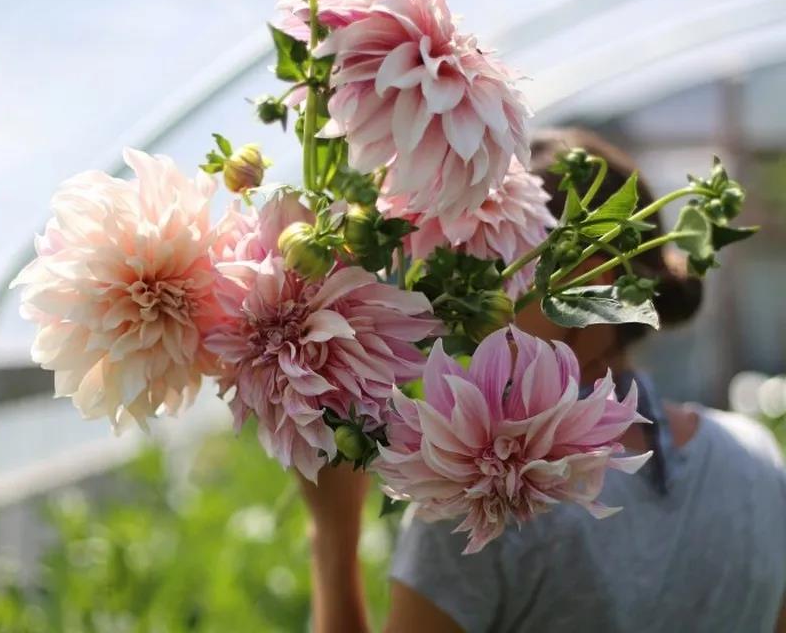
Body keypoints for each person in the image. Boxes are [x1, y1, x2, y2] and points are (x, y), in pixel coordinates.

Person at [298, 128, 786, 633]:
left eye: (488, 272)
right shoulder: (758, 460)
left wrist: (333, 534)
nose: (457, 315)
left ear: (590, 284)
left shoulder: (480, 494)